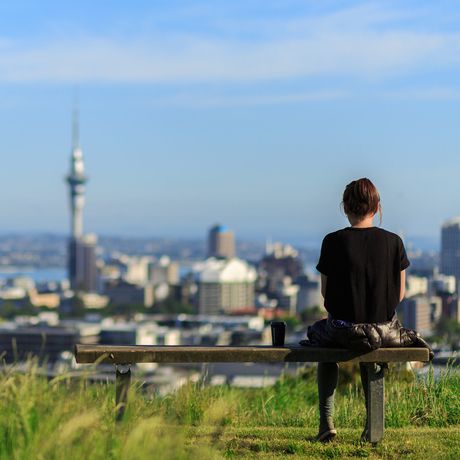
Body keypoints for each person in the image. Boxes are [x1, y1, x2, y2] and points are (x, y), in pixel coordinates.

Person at [313, 178, 410, 442]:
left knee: (320, 338)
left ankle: (326, 422)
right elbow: (399, 294)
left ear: (345, 207)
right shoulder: (394, 242)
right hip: (382, 331)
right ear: (377, 208)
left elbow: (326, 294)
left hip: (342, 330)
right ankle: (372, 427)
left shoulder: (332, 241)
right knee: (373, 346)